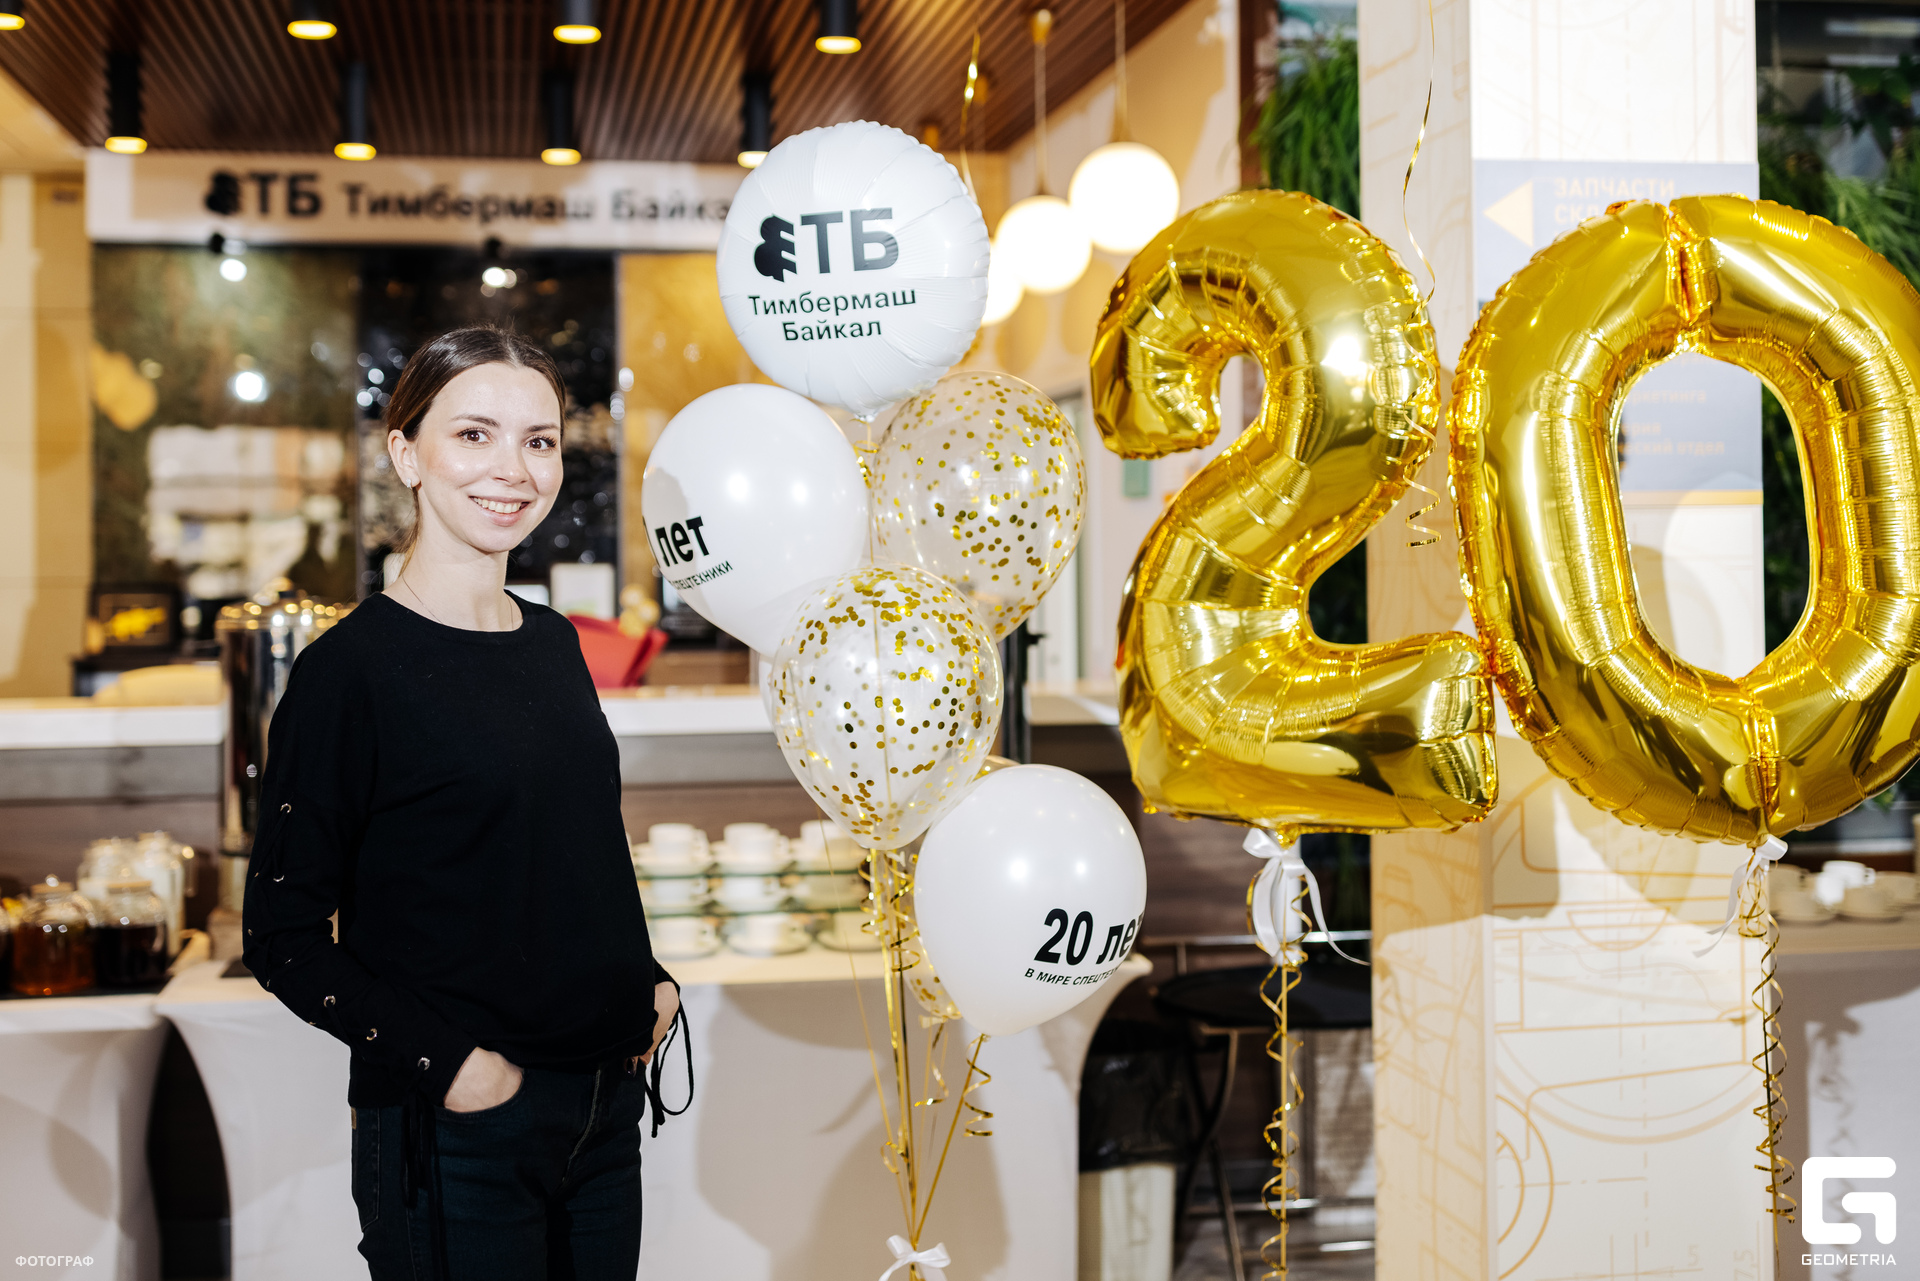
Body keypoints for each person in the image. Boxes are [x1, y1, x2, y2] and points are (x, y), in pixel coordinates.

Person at [243, 326, 683, 1280]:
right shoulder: (348, 672)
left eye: (539, 440)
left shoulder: (556, 643)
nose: (513, 469)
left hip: (604, 1113)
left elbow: (561, 853)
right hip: (456, 1132)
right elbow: (281, 937)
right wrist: (451, 1065)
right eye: (474, 434)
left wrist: (646, 979)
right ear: (406, 453)